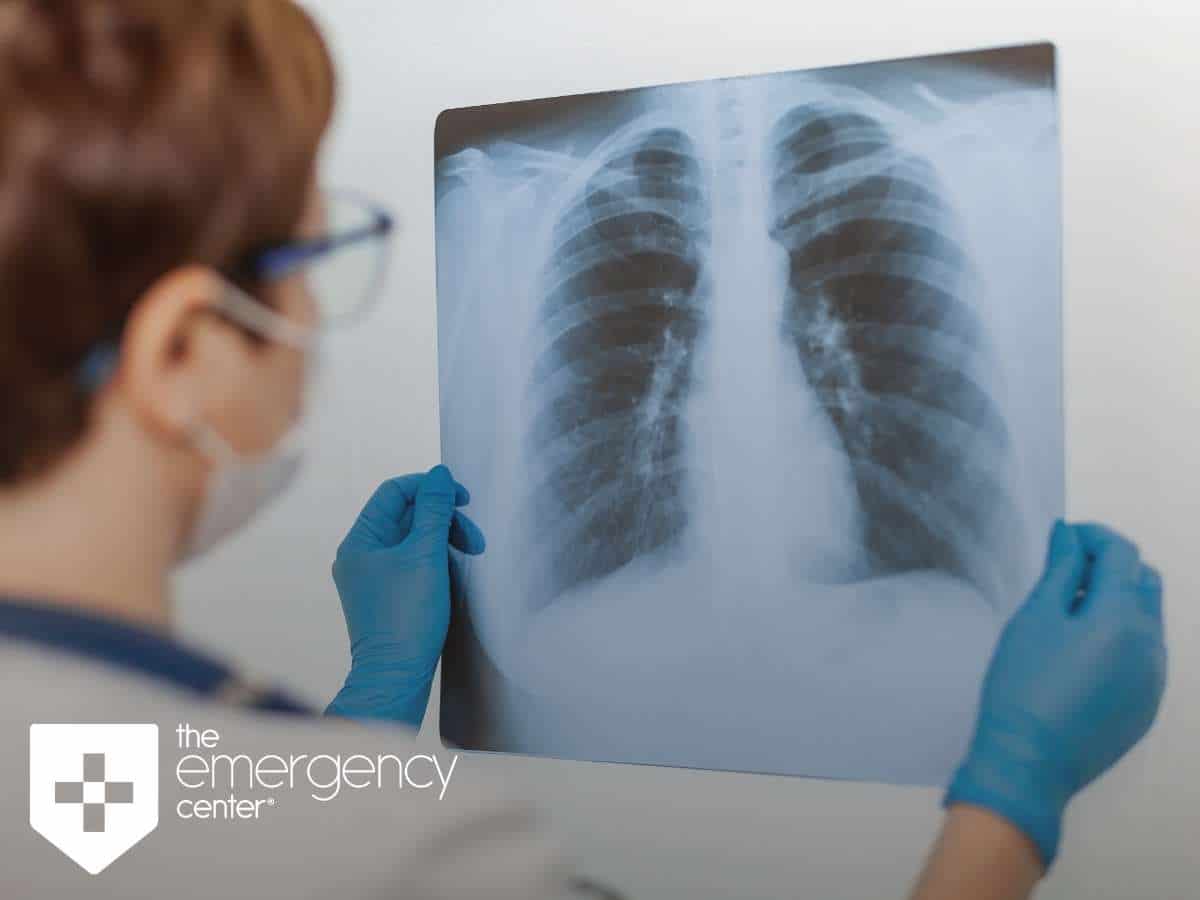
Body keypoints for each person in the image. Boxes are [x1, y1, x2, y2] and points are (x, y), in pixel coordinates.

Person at [0, 2, 1166, 899]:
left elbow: (163, 823)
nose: (314, 327)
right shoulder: (434, 861)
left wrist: (367, 713)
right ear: (185, 354)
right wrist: (1008, 809)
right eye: (319, 264)